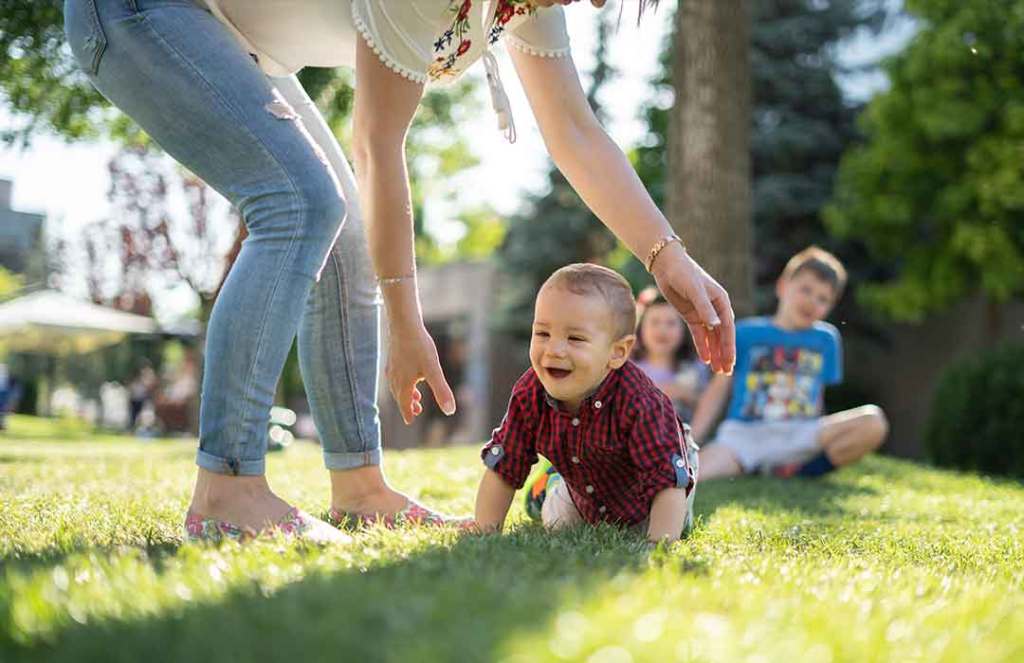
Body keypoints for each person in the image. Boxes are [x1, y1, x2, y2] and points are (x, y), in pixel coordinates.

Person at [63, 0, 733, 544]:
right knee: (302, 200)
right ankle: (227, 489)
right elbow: (377, 145)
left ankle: (358, 487)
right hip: (142, 12)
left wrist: (666, 256)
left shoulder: (533, 3)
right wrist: (406, 322)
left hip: (236, 39)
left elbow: (576, 134)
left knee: (345, 225)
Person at [474, 264, 699, 544]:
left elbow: (667, 480)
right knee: (559, 524)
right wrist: (484, 530)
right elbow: (505, 463)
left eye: (575, 338)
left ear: (617, 353)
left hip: (651, 491)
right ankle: (550, 487)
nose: (554, 350)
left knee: (666, 526)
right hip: (585, 490)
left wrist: (660, 546)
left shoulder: (641, 402)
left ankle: (553, 483)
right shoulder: (529, 393)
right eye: (543, 334)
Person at [692, 246, 888, 480]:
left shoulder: (826, 339)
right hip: (745, 435)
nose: (812, 301)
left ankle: (801, 472)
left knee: (873, 421)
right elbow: (718, 390)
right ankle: (757, 465)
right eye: (805, 290)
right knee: (697, 473)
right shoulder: (745, 333)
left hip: (801, 433)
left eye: (823, 299)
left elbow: (818, 397)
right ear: (782, 287)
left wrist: (817, 436)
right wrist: (692, 439)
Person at [633, 287, 711, 422]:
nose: (662, 330)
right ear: (641, 329)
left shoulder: (696, 368)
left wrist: (685, 395)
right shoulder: (630, 368)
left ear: (684, 330)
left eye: (671, 323)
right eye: (654, 322)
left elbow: (710, 405)